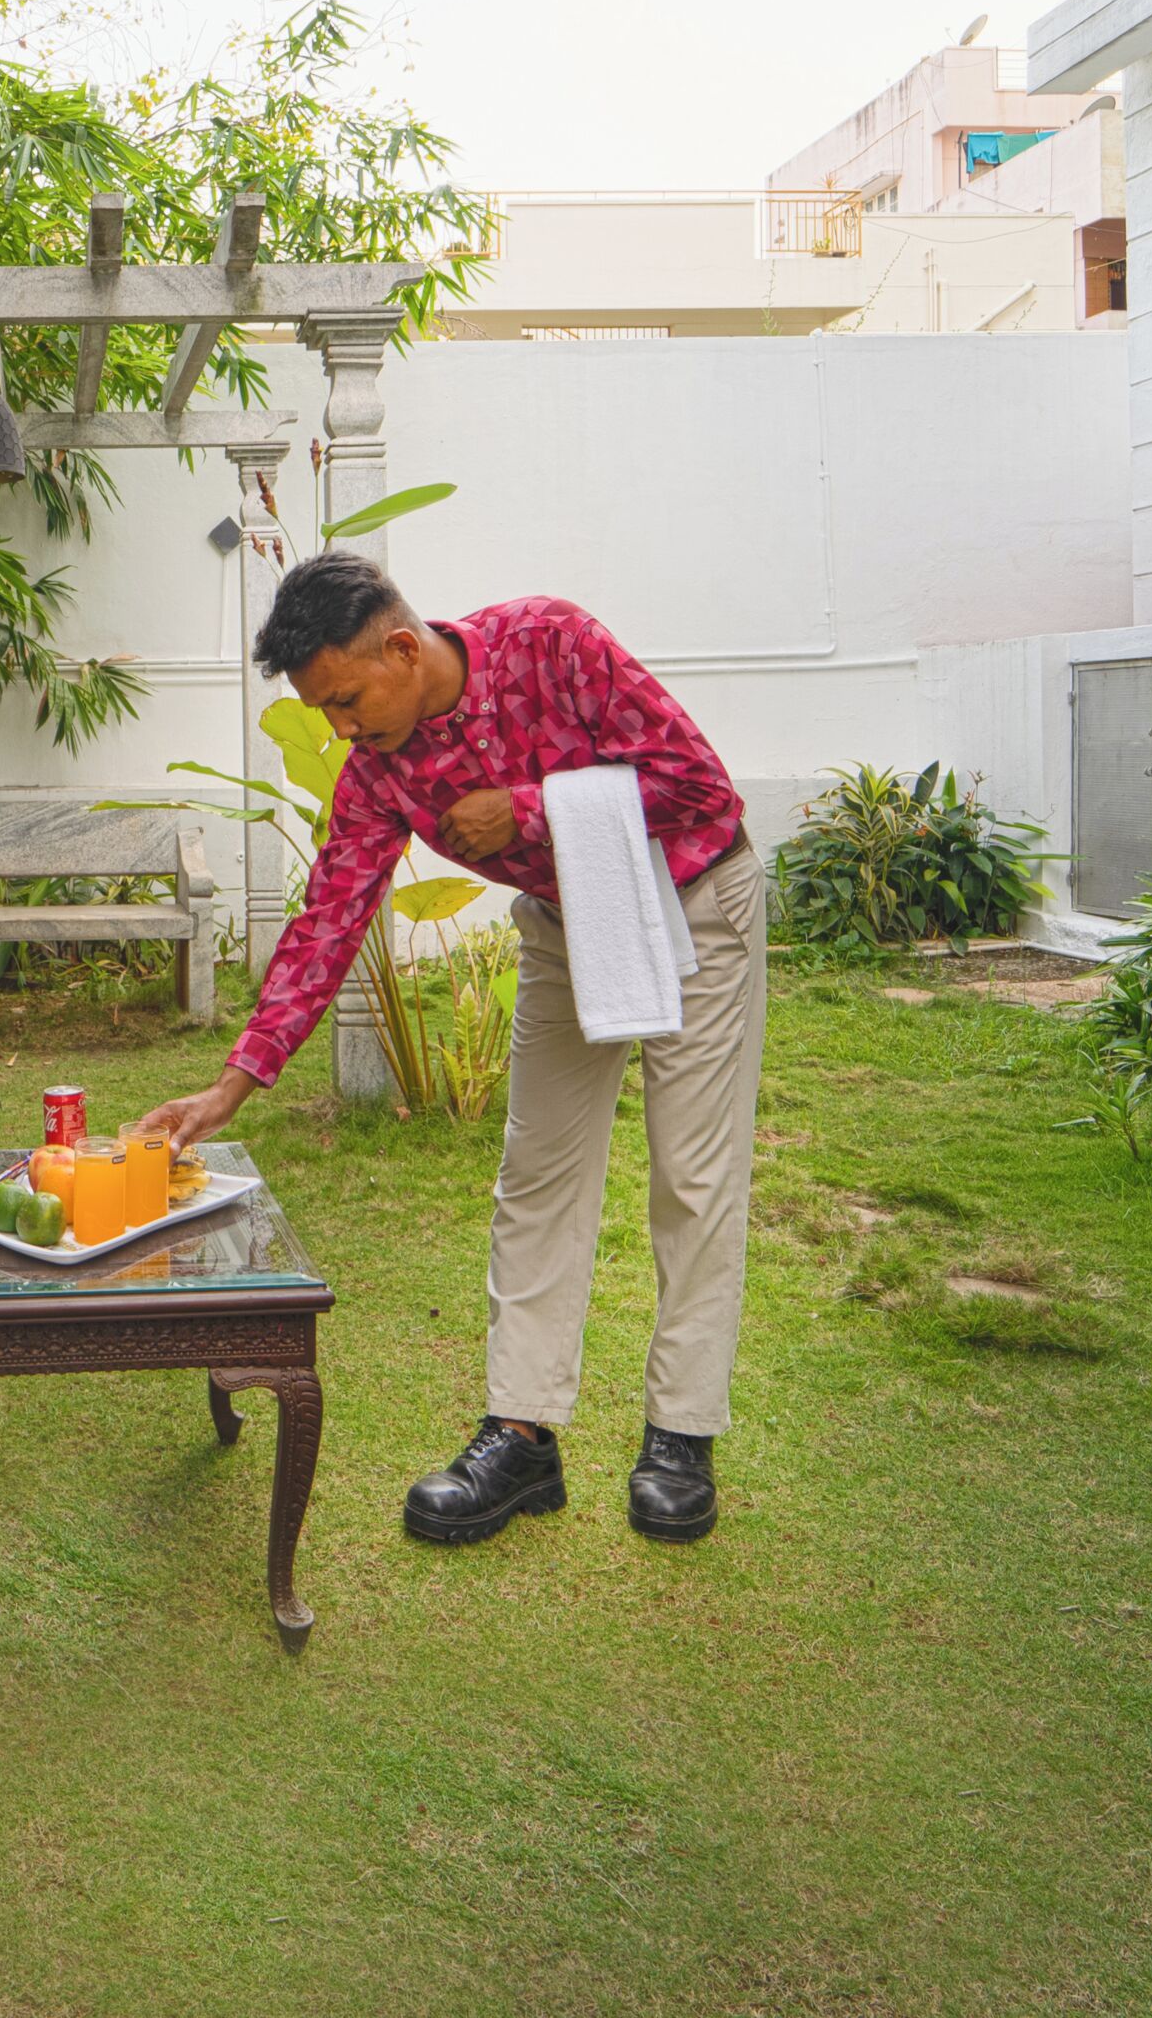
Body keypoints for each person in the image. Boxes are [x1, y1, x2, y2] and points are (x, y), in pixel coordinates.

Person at [133, 552, 766, 1546]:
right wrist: (231, 1088)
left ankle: (680, 1438)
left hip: (695, 902)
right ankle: (521, 1438)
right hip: (569, 924)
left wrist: (534, 807)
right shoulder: (379, 773)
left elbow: (696, 781)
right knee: (537, 1171)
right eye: (325, 716)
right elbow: (328, 923)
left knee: (692, 1174)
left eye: (347, 701)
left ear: (399, 645)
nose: (344, 729)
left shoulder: (551, 642)